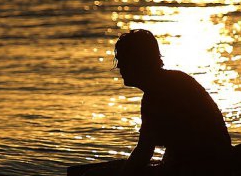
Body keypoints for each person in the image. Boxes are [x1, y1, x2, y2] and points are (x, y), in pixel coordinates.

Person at [92, 29, 232, 176]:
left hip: (203, 167)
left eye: (123, 59)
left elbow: (144, 151)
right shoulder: (174, 80)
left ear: (138, 62)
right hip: (213, 160)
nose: (119, 66)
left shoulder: (157, 95)